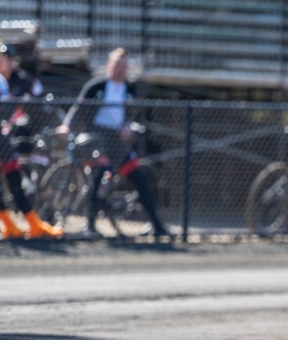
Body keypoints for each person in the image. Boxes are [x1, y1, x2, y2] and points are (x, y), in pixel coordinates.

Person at [57, 47, 167, 237]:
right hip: (97, 138)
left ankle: (157, 225)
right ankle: (90, 227)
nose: (120, 68)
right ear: (109, 65)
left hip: (117, 140)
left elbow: (138, 116)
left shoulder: (131, 89)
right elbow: (78, 108)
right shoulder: (96, 86)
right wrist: (66, 126)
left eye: (124, 65)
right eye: (117, 64)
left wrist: (129, 126)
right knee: (96, 179)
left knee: (139, 177)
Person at [0, 42, 64, 239]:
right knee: (13, 177)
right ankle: (12, 223)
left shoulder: (20, 80)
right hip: (12, 131)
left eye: (3, 59)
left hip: (35, 126)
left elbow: (28, 108)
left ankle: (34, 218)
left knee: (16, 176)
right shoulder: (3, 81)